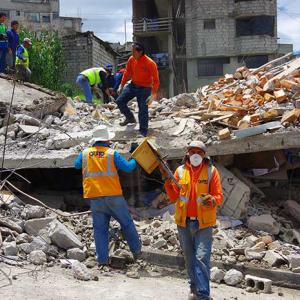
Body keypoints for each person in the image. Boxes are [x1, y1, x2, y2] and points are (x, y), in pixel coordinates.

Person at [161, 141, 223, 300]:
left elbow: (219, 196)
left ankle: (203, 295)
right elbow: (174, 197)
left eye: (199, 152)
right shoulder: (180, 172)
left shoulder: (211, 171)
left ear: (204, 155)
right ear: (187, 154)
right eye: (192, 151)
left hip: (204, 223)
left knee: (202, 257)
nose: (196, 154)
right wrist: (167, 182)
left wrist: (213, 199)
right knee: (189, 258)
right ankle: (193, 288)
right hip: (184, 222)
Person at [74, 125, 141, 265]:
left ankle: (102, 260)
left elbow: (76, 165)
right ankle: (137, 253)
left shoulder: (85, 153)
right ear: (107, 140)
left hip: (95, 198)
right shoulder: (112, 153)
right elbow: (128, 167)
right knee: (127, 224)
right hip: (113, 197)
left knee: (100, 230)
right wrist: (136, 157)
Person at [116, 42, 160, 137]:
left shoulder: (150, 63)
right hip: (133, 85)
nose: (132, 54)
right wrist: (122, 85)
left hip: (145, 88)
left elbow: (156, 81)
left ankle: (143, 131)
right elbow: (127, 72)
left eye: (133, 51)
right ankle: (130, 118)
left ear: (140, 52)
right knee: (120, 101)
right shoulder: (131, 59)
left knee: (143, 109)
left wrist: (153, 94)